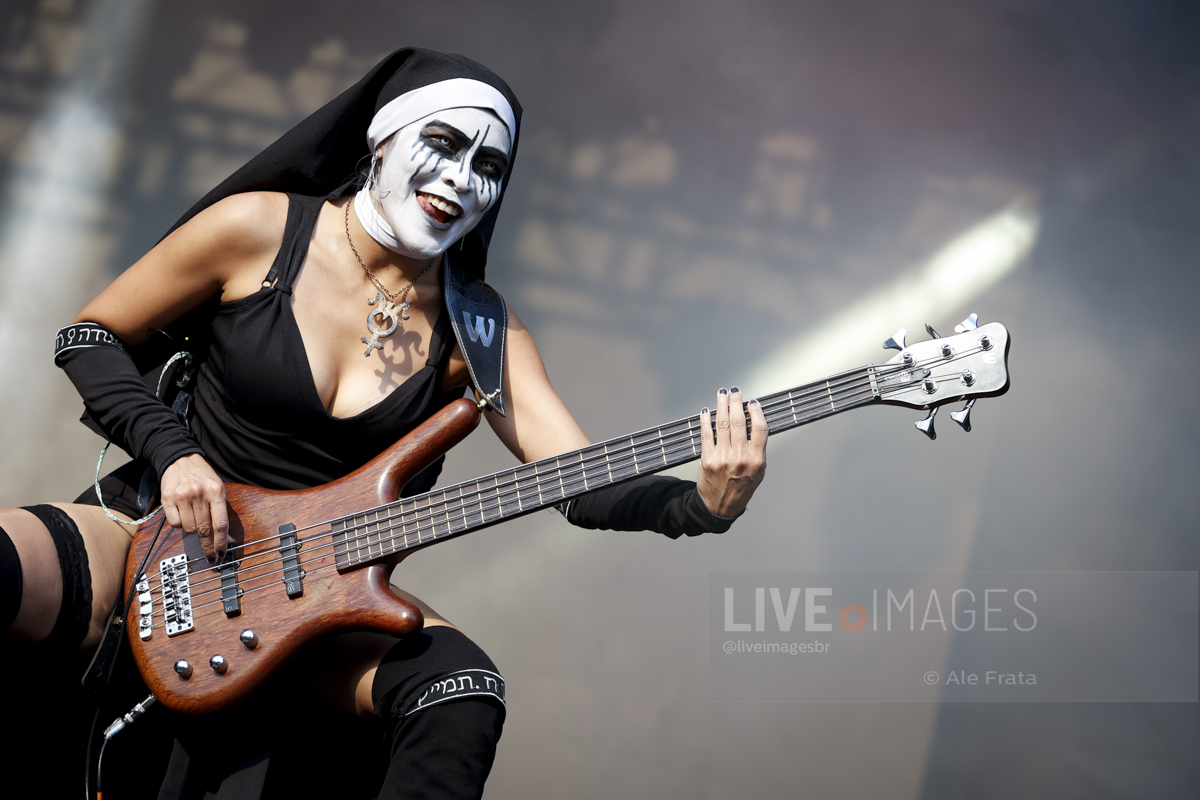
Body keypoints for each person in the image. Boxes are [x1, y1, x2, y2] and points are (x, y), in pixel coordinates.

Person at [0, 48, 768, 798]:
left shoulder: (479, 330)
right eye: (444, 143)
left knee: (463, 695)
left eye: (489, 167)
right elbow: (89, 335)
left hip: (319, 602)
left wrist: (697, 505)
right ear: (381, 139)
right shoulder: (258, 230)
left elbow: (578, 482)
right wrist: (173, 454)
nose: (461, 178)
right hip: (154, 536)